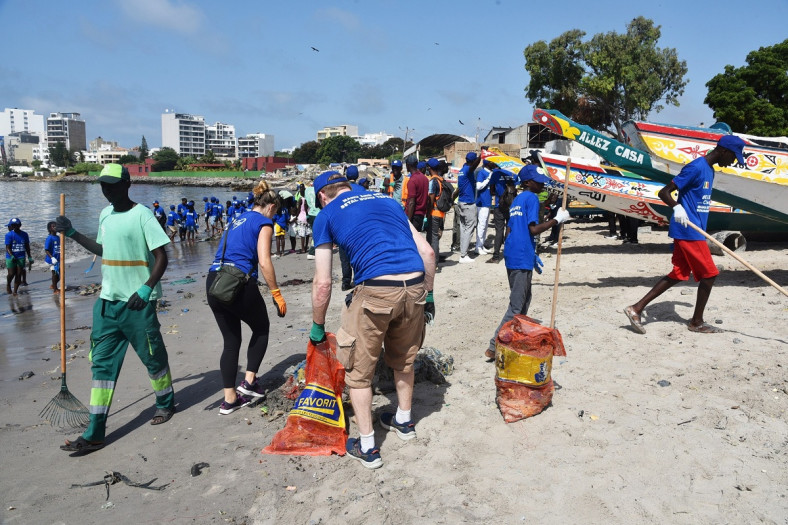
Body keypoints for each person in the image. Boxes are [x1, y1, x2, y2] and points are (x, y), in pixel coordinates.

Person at [309, 171, 435, 469]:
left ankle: (367, 446)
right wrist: (429, 296)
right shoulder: (388, 201)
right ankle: (404, 421)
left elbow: (323, 283)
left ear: (322, 196)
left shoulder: (326, 214)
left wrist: (317, 325)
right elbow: (428, 252)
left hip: (376, 290)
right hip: (415, 285)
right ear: (347, 186)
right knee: (404, 359)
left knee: (358, 372)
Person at [56, 163, 176, 454]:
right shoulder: (104, 215)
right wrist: (72, 233)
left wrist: (146, 288)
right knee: (101, 365)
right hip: (107, 304)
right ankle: (95, 431)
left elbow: (162, 256)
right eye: (103, 185)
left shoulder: (142, 215)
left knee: (152, 357)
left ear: (127, 184)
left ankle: (165, 402)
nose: (107, 190)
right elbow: (103, 250)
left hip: (137, 303)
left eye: (112, 185)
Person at [624, 135, 745, 335]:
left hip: (694, 229)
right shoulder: (696, 167)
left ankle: (636, 308)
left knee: (679, 273)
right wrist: (677, 207)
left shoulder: (710, 170)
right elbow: (664, 192)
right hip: (688, 230)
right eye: (733, 157)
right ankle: (696, 322)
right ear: (723, 150)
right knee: (710, 274)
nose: (732, 162)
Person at [206, 180, 286, 414]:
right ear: (271, 207)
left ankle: (230, 400)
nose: (274, 216)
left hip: (214, 280)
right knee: (261, 328)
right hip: (238, 282)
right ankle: (250, 382)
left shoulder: (236, 219)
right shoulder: (264, 222)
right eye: (275, 213)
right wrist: (276, 293)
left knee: (231, 342)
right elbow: (264, 261)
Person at [485, 165, 571, 359]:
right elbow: (533, 229)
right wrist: (557, 220)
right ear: (528, 182)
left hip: (514, 253)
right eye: (539, 182)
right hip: (521, 255)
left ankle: (512, 339)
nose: (542, 185)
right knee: (517, 306)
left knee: (524, 299)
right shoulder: (531, 198)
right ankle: (494, 346)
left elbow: (510, 229)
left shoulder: (518, 199)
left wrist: (527, 250)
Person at [457, 152, 481, 263]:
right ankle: (463, 255)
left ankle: (463, 252)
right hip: (468, 204)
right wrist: (481, 155)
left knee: (464, 229)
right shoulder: (467, 170)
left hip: (462, 202)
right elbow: (474, 166)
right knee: (469, 229)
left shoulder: (462, 170)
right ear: (473, 161)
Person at [426, 158, 447, 270]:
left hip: (434, 212)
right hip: (441, 213)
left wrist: (427, 213)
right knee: (434, 237)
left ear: (429, 168)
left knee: (433, 238)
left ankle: (434, 264)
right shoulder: (441, 179)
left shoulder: (433, 181)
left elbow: (431, 199)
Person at [5, 218, 31, 296]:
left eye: (16, 225)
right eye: (13, 225)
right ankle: (8, 284)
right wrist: (11, 255)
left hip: (21, 256)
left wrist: (29, 256)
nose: (14, 227)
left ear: (20, 225)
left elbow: (27, 246)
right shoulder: (9, 235)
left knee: (19, 274)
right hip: (11, 257)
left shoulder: (24, 234)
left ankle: (15, 291)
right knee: (11, 273)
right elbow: (8, 247)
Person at [404, 156, 430, 232]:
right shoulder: (425, 178)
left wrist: (408, 221)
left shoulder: (412, 180)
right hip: (421, 215)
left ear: (408, 165)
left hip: (413, 215)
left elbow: (412, 202)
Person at [475, 161, 493, 254]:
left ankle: (482, 245)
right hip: (482, 202)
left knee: (485, 225)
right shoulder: (482, 172)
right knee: (481, 225)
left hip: (488, 202)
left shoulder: (491, 172)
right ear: (487, 163)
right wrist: (488, 179)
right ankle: (478, 247)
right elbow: (478, 186)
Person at [294, 183, 311, 253]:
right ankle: (306, 246)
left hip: (302, 217)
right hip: (308, 216)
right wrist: (308, 216)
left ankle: (303, 249)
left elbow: (299, 210)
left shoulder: (301, 199)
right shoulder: (308, 198)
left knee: (302, 234)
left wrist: (296, 217)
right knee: (307, 233)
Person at [44, 221, 60, 293]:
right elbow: (46, 250)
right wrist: (52, 258)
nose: (55, 227)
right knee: (55, 273)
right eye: (53, 226)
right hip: (52, 259)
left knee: (60, 274)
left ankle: (53, 285)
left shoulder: (58, 237)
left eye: (56, 226)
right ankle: (55, 289)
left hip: (58, 259)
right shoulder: (49, 238)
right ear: (50, 228)